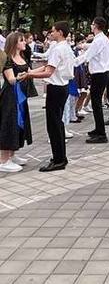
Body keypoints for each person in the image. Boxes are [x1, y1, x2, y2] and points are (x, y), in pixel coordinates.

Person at [20, 22, 75, 172]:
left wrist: (30, 74)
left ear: (60, 33)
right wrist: (31, 72)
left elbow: (49, 72)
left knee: (54, 124)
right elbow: (48, 67)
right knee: (58, 122)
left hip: (56, 88)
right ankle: (60, 156)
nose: (51, 33)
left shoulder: (58, 49)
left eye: (53, 31)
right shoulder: (65, 47)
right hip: (62, 87)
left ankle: (58, 159)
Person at [74, 17, 109, 143]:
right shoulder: (102, 38)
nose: (91, 26)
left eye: (92, 24)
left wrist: (73, 62)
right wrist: (84, 45)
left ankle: (101, 134)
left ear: (95, 26)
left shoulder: (99, 40)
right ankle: (98, 129)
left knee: (96, 103)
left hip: (99, 74)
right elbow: (91, 48)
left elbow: (88, 55)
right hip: (102, 73)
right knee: (96, 102)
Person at [0, 33, 33, 173]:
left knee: (19, 124)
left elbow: (31, 71)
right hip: (10, 95)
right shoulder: (7, 58)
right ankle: (3, 160)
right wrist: (22, 76)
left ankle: (12, 155)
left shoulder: (22, 56)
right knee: (9, 124)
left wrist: (46, 71)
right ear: (14, 43)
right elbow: (11, 79)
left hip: (21, 96)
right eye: (21, 40)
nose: (24, 42)